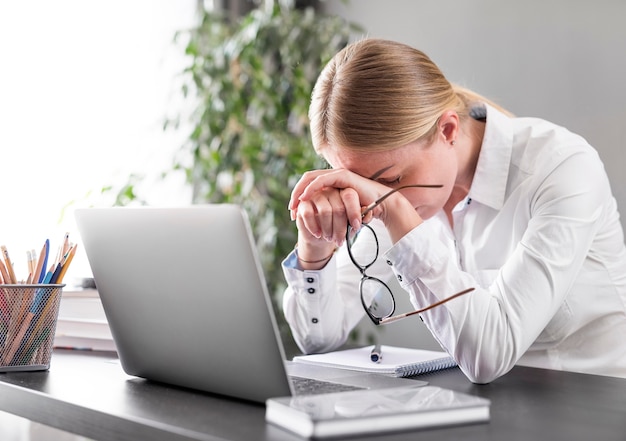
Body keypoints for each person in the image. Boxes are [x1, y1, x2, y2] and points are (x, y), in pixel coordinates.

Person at [281, 38, 626, 384]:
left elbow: (490, 354)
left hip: (599, 408)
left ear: (447, 130)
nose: (371, 199)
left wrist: (400, 215)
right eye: (353, 182)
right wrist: (315, 250)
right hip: (487, 413)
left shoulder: (561, 168)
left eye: (388, 180)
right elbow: (318, 338)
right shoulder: (396, 189)